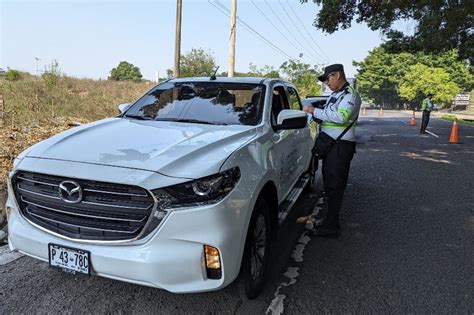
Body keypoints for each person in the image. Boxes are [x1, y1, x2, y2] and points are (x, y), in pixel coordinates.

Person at [304, 64, 361, 237]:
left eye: (327, 79)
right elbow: (329, 115)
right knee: (330, 185)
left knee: (335, 186)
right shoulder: (336, 95)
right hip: (331, 145)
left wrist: (315, 111)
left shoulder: (350, 95)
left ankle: (331, 226)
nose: (326, 83)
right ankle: (329, 219)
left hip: (340, 147)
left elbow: (342, 117)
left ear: (336, 75)